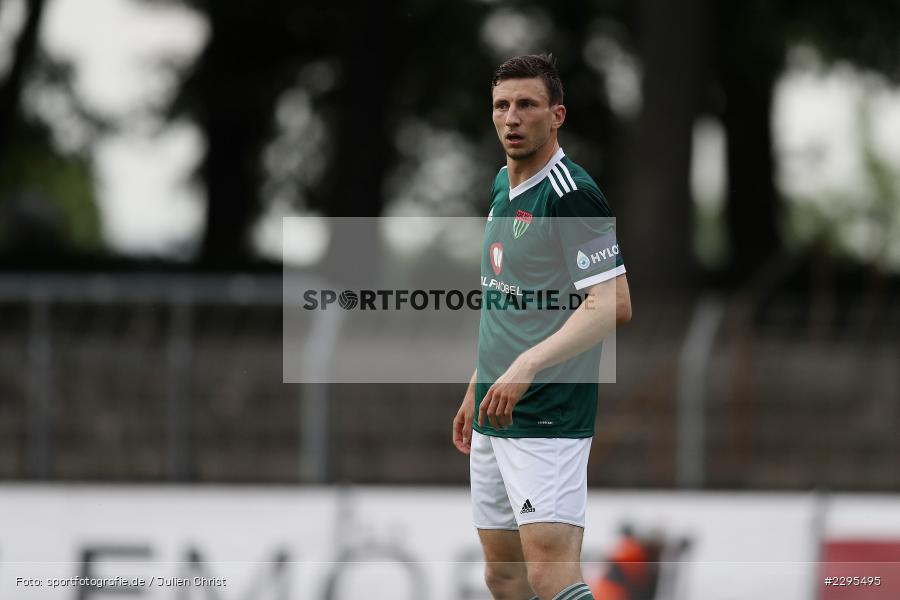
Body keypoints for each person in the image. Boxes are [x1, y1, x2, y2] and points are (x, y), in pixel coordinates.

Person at [452, 53, 632, 600]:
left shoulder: (571, 193)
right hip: (495, 409)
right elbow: (506, 300)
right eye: (501, 106)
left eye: (526, 105)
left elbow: (612, 303)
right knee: (503, 575)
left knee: (552, 573)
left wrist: (527, 366)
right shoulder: (502, 186)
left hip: (548, 413)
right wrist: (478, 383)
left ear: (557, 115)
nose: (512, 117)